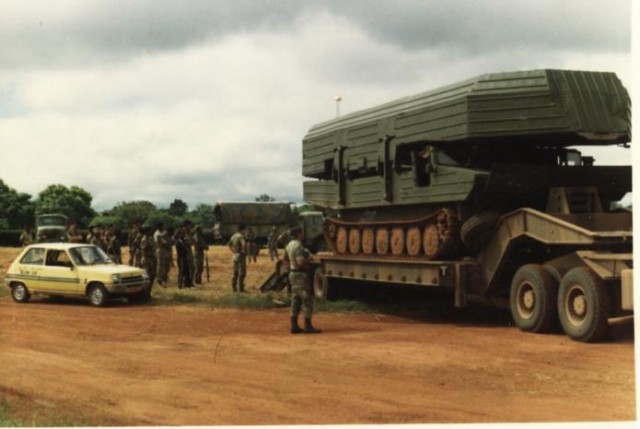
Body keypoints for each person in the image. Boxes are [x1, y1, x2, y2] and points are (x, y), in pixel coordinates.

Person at [284, 226, 321, 334]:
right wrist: (309, 259)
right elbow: (300, 262)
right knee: (307, 300)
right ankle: (308, 326)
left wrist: (290, 267)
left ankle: (294, 325)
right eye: (302, 233)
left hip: (292, 274)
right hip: (300, 275)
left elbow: (283, 259)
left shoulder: (289, 245)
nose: (303, 235)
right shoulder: (299, 246)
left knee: (295, 300)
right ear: (299, 234)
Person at [174, 220, 195, 288]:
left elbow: (191, 241)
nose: (190, 227)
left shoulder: (188, 233)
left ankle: (188, 283)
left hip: (188, 252)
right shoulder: (181, 234)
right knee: (182, 270)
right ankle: (181, 284)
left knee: (189, 269)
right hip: (183, 254)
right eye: (189, 225)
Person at [227, 224, 247, 292]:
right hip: (240, 255)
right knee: (242, 272)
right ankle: (241, 288)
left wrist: (233, 251)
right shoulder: (241, 236)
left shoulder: (233, 236)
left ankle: (234, 287)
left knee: (235, 272)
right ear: (243, 229)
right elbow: (244, 244)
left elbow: (229, 244)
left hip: (235, 255)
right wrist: (243, 251)